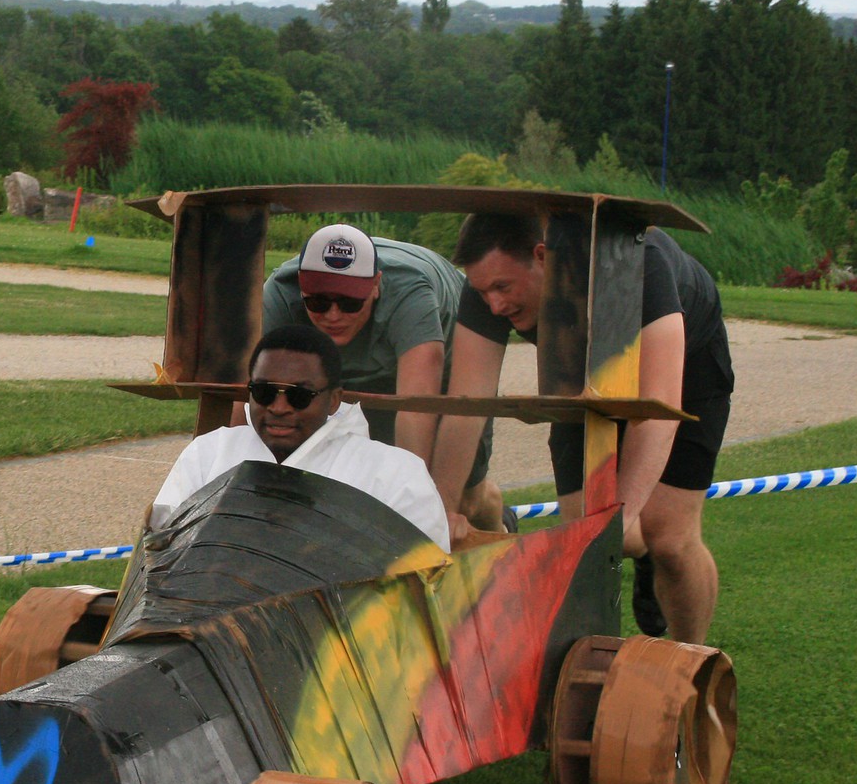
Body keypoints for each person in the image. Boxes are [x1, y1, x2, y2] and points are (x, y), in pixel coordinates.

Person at [428, 212, 735, 643]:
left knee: (669, 535)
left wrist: (614, 521)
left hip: (685, 368)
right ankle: (635, 558)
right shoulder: (486, 287)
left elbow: (658, 411)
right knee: (584, 534)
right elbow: (465, 406)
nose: (494, 305)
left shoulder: (636, 265)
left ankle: (689, 663)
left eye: (503, 288)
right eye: (483, 291)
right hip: (579, 370)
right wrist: (439, 508)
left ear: (542, 257)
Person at [264, 222, 504, 530]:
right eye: (318, 302)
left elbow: (416, 408)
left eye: (350, 303)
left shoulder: (411, 295)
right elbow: (248, 402)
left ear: (376, 284)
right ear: (300, 287)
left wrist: (418, 516)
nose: (333, 315)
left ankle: (499, 528)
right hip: (360, 363)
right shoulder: (278, 296)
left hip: (439, 361)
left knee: (456, 503)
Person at [152, 324, 451, 550]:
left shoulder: (396, 476)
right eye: (264, 392)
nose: (279, 408)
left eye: (300, 396)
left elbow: (424, 585)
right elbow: (161, 549)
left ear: (334, 400)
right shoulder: (208, 453)